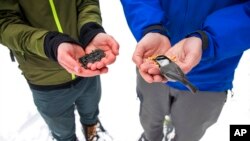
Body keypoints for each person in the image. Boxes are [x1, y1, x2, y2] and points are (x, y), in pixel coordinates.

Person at [121, 0, 250, 141]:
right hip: (154, 69)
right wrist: (151, 27)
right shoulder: (158, 61)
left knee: (190, 132)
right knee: (150, 117)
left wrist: (208, 40)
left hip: (210, 78)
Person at [0, 0, 119, 141]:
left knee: (91, 110)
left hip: (86, 65)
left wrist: (90, 30)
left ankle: (92, 130)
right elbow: (4, 23)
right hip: (44, 78)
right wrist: (48, 43)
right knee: (61, 128)